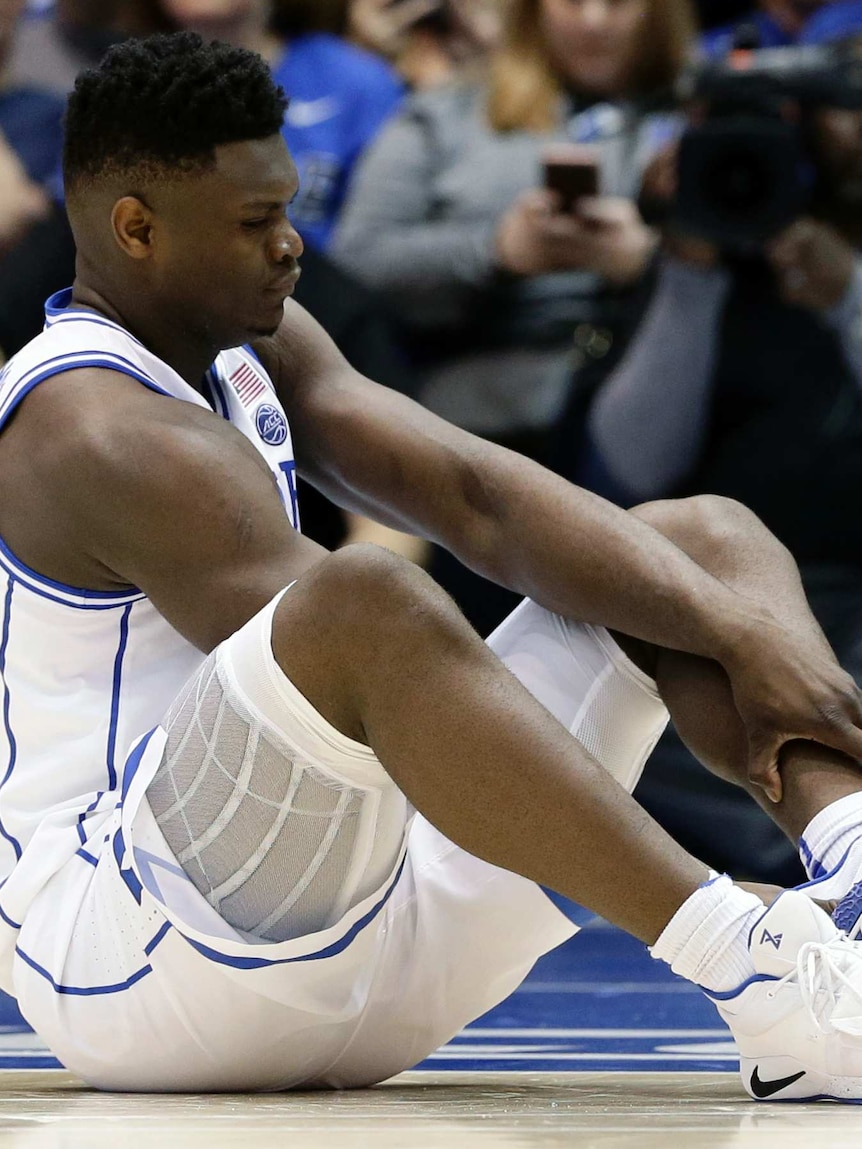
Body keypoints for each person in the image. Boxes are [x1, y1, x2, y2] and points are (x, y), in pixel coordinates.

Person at [5, 32, 862, 1102]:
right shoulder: (95, 429)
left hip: (368, 934)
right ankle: (762, 974)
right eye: (254, 220)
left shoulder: (240, 334)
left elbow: (477, 498)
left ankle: (854, 873)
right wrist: (717, 655)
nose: (291, 246)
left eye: (287, 209)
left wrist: (738, 633)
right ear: (136, 227)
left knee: (699, 548)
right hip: (143, 970)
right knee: (361, 598)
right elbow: (375, 673)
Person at [559, 18, 862, 883]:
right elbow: (629, 469)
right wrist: (689, 267)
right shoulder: (695, 258)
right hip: (728, 615)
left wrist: (848, 294)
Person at [331, 0, 693, 632]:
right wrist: (496, 252)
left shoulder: (708, 115)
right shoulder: (447, 115)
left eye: (618, 3)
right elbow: (353, 267)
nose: (593, 22)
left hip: (662, 414)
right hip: (481, 421)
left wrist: (650, 266)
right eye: (570, 1)